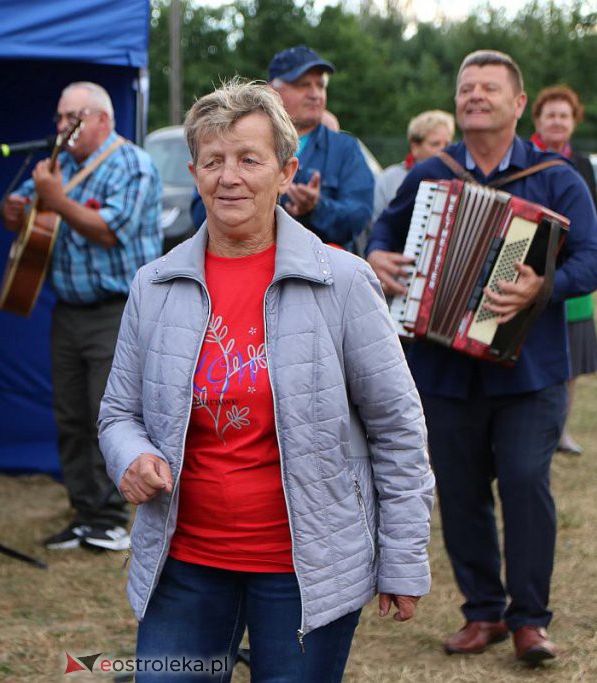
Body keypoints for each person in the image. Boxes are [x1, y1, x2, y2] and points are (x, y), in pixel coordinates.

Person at [98, 80, 434, 682]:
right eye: (213, 160)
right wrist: (132, 456)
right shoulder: (154, 285)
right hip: (185, 563)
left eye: (249, 159)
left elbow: (397, 428)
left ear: (285, 172)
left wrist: (404, 563)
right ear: (195, 171)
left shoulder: (345, 282)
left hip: (307, 572)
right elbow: (118, 414)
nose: (230, 177)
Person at [367, 50, 597, 665]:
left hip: (529, 370)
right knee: (461, 489)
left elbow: (595, 261)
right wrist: (377, 259)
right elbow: (383, 233)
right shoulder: (430, 173)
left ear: (518, 103)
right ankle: (484, 613)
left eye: (488, 88)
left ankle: (530, 619)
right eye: (466, 87)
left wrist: (541, 285)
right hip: (444, 367)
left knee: (527, 483)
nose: (474, 96)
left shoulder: (555, 177)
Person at [2, 81, 162, 552]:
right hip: (67, 310)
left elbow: (111, 231)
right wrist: (15, 213)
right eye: (58, 118)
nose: (61, 128)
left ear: (103, 121)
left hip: (117, 312)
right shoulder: (59, 166)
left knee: (105, 413)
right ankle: (84, 511)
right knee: (70, 414)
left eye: (72, 118)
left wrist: (54, 200)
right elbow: (27, 215)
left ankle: (112, 518)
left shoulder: (133, 165)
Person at [189, 46, 375, 252]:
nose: (315, 94)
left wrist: (316, 208)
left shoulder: (345, 148)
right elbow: (200, 212)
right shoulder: (231, 139)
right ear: (272, 91)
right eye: (303, 85)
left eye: (320, 85)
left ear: (288, 171)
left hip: (323, 277)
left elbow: (359, 217)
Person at [531, 85, 597, 455]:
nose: (558, 121)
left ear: (573, 122)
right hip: (537, 271)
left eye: (564, 115)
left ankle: (561, 431)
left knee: (573, 357)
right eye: (551, 115)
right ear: (538, 121)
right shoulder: (527, 160)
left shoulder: (583, 163)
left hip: (573, 272)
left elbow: (595, 218)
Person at [373, 110, 455, 219]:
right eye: (435, 144)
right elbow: (375, 225)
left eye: (447, 144)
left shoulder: (456, 179)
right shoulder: (390, 178)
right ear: (414, 147)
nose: (443, 150)